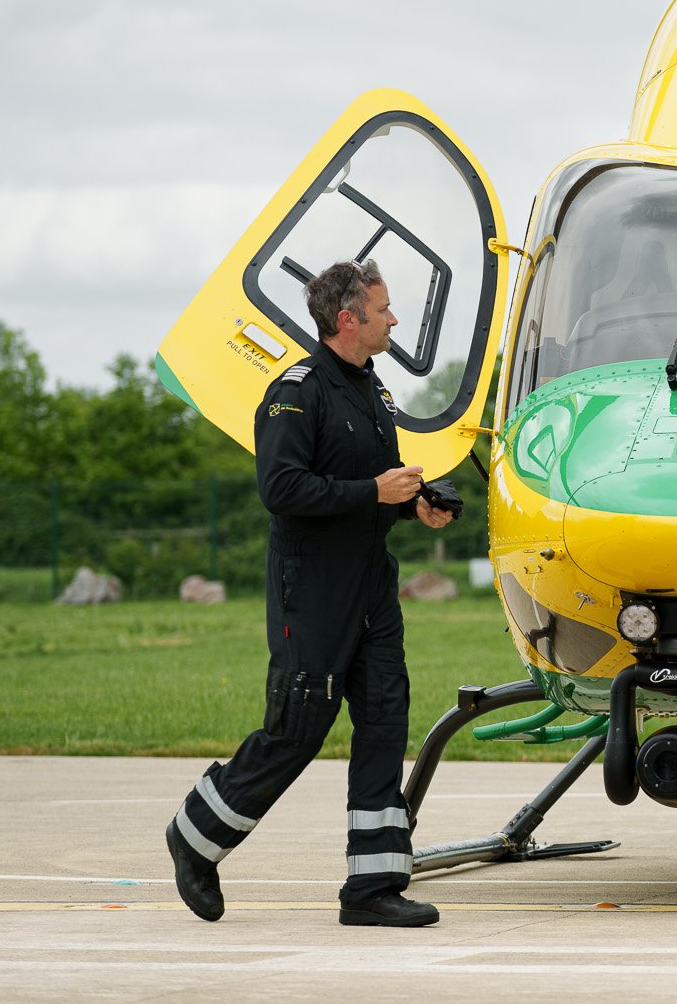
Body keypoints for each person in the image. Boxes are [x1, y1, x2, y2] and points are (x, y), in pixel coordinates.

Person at [165, 259, 456, 927]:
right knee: (298, 726)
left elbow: (369, 486)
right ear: (348, 318)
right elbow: (283, 488)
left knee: (385, 716)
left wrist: (415, 505)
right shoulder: (294, 391)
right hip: (313, 589)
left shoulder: (373, 393)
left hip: (371, 586)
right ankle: (196, 832)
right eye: (384, 309)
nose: (394, 319)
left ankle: (374, 886)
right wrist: (371, 492)